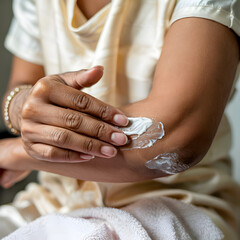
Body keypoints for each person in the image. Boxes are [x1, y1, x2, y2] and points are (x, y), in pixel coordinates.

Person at [0, 0, 240, 239]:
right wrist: (22, 105)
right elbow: (23, 84)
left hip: (177, 202)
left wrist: (16, 152)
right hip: (53, 199)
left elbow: (174, 138)